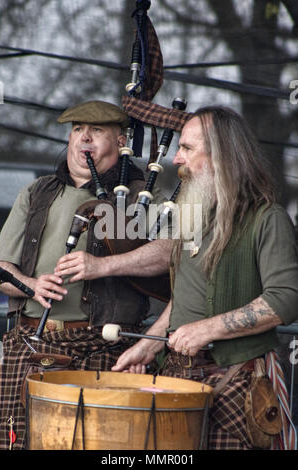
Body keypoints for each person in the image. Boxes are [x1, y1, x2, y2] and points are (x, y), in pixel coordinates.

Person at [111, 105, 298, 450]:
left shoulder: (268, 218)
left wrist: (208, 329)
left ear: (222, 157)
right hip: (179, 378)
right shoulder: (194, 219)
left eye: (187, 148)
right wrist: (148, 344)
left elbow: (285, 299)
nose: (177, 160)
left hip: (238, 381)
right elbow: (184, 297)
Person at [0, 100, 172, 450]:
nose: (84, 139)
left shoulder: (140, 197)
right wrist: (30, 286)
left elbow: (172, 254)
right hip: (32, 345)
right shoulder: (37, 193)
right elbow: (1, 268)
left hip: (104, 348)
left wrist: (103, 266)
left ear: (121, 141)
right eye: (78, 130)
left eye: (96, 131)